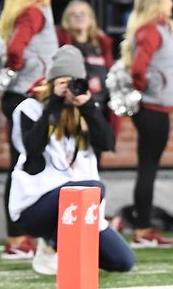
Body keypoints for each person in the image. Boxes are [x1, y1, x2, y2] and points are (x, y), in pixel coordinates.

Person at [8, 45, 135, 276]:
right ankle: (53, 243)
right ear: (51, 83)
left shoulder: (84, 111)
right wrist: (53, 104)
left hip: (82, 208)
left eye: (74, 82)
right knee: (93, 190)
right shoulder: (30, 108)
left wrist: (88, 107)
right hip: (36, 206)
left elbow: (107, 143)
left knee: (122, 261)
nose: (69, 89)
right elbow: (32, 148)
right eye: (63, 83)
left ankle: (60, 243)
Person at [0, 0, 59, 260]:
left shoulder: (30, 11)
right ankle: (15, 236)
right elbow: (14, 53)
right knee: (25, 166)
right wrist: (32, 76)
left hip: (23, 96)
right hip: (25, 98)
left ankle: (18, 235)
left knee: (26, 164)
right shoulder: (34, 12)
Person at [122, 0, 173, 249]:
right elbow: (138, 71)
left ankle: (144, 227)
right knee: (147, 169)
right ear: (157, 2)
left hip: (155, 108)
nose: (172, 2)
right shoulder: (150, 31)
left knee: (149, 168)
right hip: (152, 109)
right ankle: (143, 229)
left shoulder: (159, 29)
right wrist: (150, 89)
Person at [55, 0, 115, 122]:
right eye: (74, 14)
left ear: (91, 19)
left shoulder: (102, 44)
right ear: (67, 19)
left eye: (83, 13)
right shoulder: (61, 43)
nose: (79, 17)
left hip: (101, 107)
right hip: (74, 108)